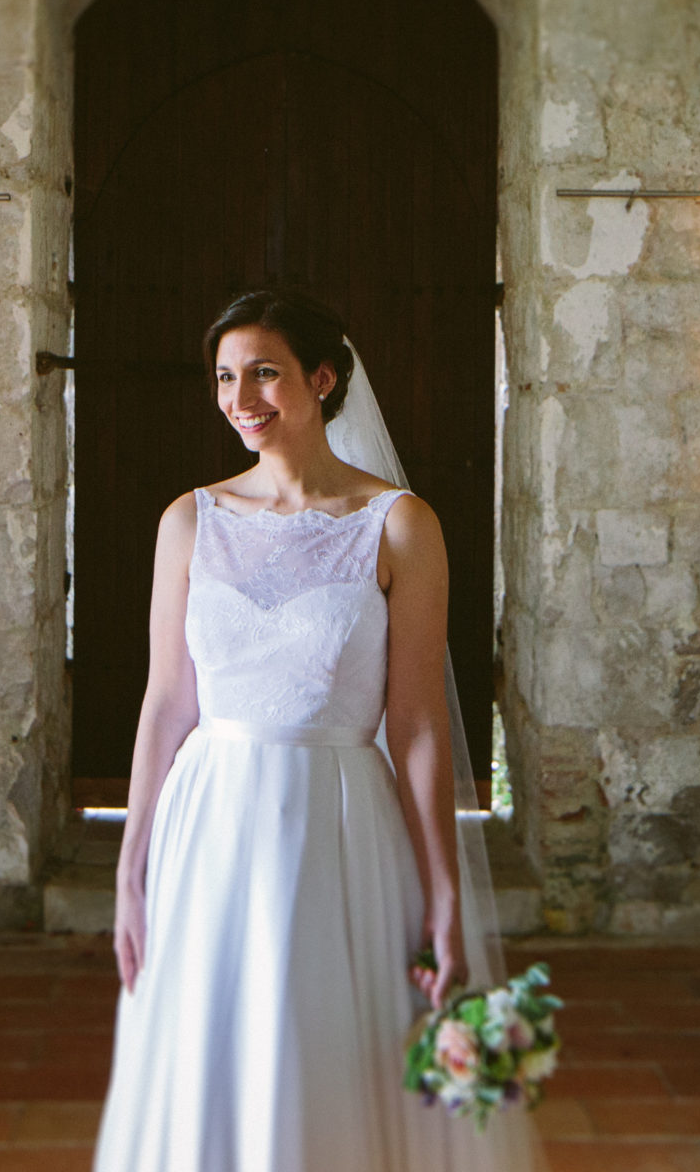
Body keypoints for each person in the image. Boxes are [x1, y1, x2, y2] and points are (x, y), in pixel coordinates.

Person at [92, 288, 542, 1171]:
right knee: (213, 1052)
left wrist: (444, 894)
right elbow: (167, 703)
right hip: (211, 826)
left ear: (323, 377)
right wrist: (131, 866)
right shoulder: (190, 520)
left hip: (339, 832)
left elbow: (415, 725)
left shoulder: (400, 526)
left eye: (265, 372)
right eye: (225, 377)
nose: (240, 398)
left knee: (328, 1050)